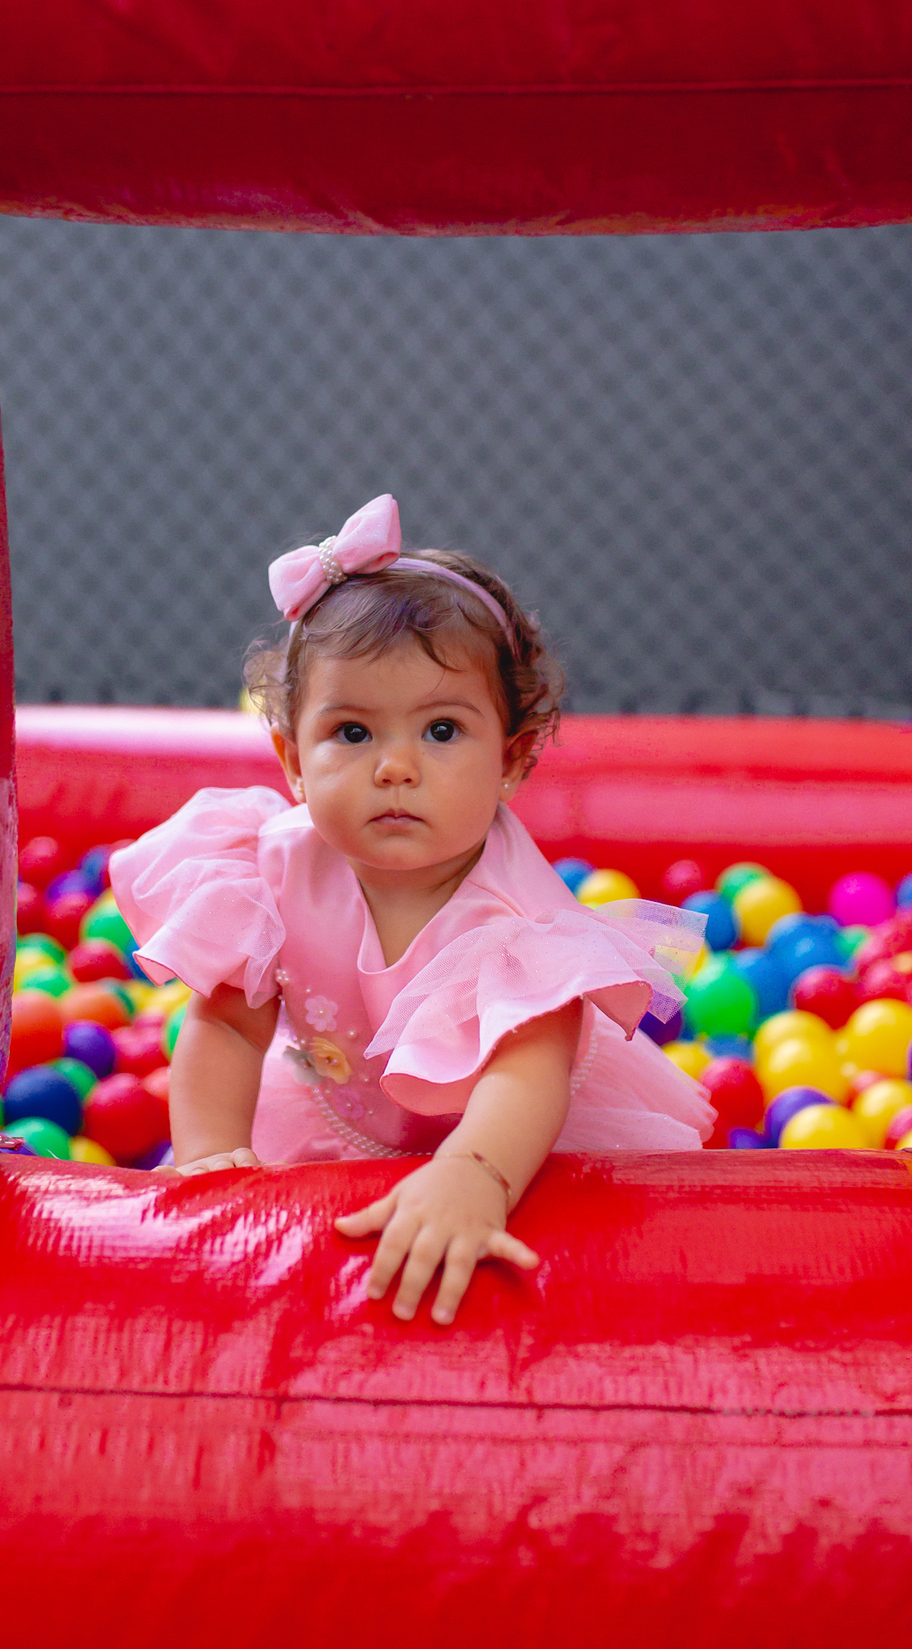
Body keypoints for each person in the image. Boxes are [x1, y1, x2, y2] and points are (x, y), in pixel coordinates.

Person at [110, 494, 712, 1325]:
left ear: (512, 757)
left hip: (510, 1142)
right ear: (292, 758)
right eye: (354, 734)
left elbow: (527, 1070)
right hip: (333, 1107)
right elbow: (231, 1027)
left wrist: (474, 1176)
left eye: (441, 731)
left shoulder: (518, 917)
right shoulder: (268, 869)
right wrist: (211, 1158)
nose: (396, 767)